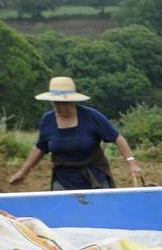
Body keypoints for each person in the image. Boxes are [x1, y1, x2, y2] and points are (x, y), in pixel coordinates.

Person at [9, 76, 143, 190]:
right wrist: (23, 171)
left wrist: (132, 163)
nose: (61, 107)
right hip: (63, 178)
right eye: (57, 103)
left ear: (74, 101)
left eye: (65, 103)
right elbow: (40, 147)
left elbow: (117, 138)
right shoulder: (47, 120)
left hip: (95, 175)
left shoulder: (91, 116)